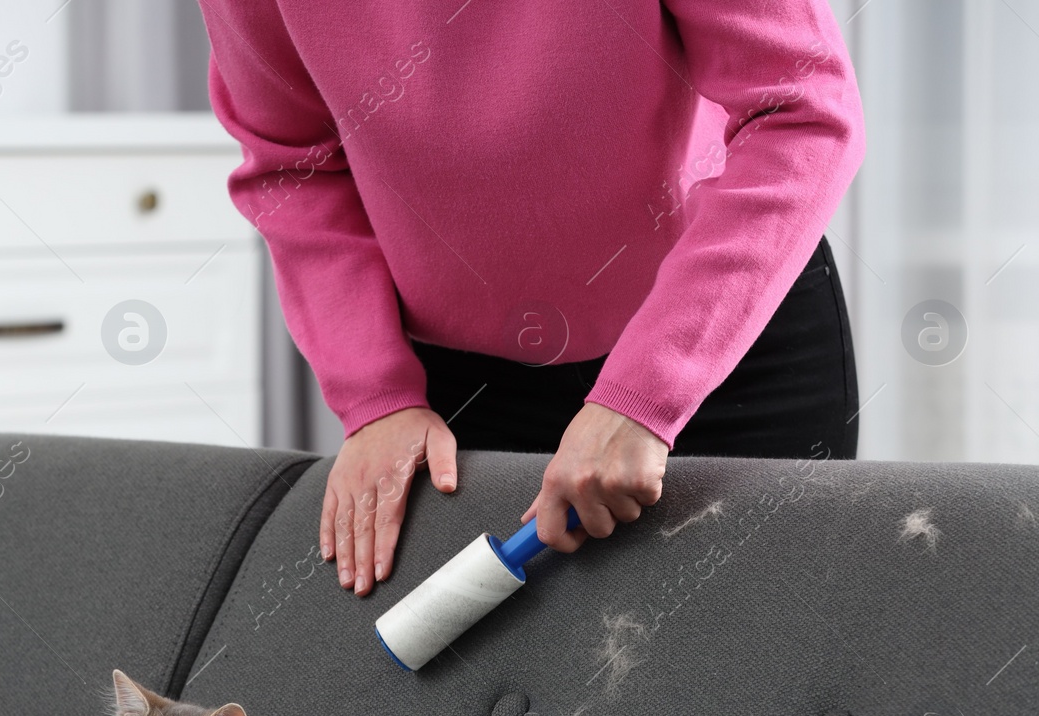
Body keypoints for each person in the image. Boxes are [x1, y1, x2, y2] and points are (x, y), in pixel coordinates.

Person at [201, 0, 865, 596]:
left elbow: (801, 110)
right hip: (454, 395)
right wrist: (375, 395)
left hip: (723, 340)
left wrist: (646, 390)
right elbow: (293, 164)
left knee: (755, 697)